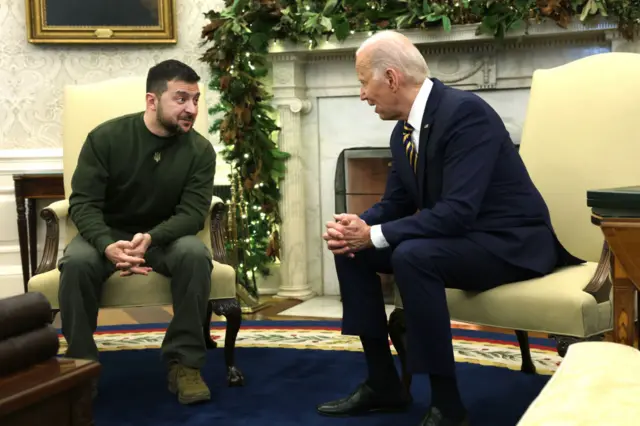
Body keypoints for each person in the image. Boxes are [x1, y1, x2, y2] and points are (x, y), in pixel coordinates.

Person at [319, 31, 583, 426]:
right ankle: (383, 383)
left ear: (390, 78)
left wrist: (374, 233)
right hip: (465, 240)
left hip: (511, 242)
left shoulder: (465, 113)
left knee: (414, 255)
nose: (362, 94)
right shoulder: (402, 131)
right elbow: (396, 205)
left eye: (363, 81)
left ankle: (448, 405)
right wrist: (357, 225)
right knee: (351, 248)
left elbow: (457, 212)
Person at [58, 59, 216, 405]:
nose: (191, 108)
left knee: (194, 254)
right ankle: (82, 366)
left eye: (195, 99)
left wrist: (152, 238)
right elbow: (82, 203)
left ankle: (185, 363)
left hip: (163, 238)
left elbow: (191, 214)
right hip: (106, 233)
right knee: (76, 263)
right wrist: (106, 243)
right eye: (181, 99)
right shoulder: (106, 138)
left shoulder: (201, 150)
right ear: (152, 100)